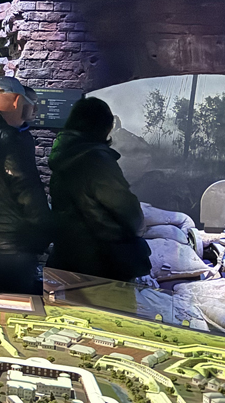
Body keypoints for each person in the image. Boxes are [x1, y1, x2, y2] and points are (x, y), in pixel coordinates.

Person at [47, 96, 151, 281]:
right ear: (105, 126)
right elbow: (127, 210)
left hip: (67, 257)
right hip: (101, 264)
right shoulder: (97, 161)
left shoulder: (64, 156)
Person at [0, 76, 54, 293]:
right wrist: (45, 233)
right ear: (17, 101)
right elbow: (25, 188)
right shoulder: (8, 138)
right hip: (13, 248)